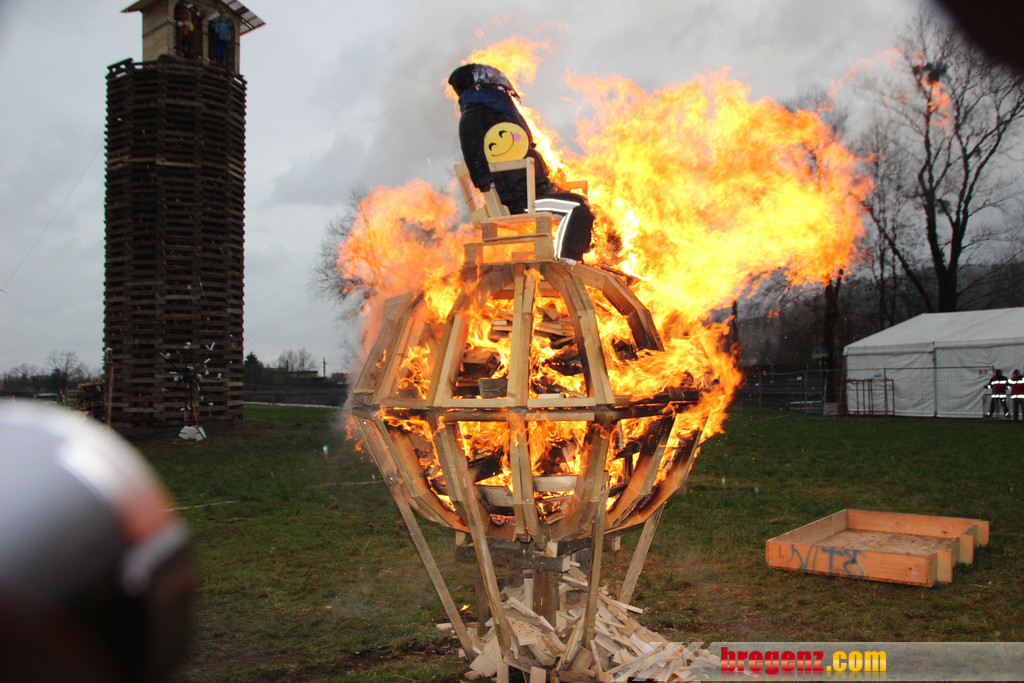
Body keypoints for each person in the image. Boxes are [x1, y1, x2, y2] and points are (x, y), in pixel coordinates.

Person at [448, 63, 593, 262]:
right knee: (577, 208)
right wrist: (482, 177)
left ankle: (577, 258)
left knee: (582, 205)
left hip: (533, 191)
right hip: (522, 199)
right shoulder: (476, 111)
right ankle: (566, 262)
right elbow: (471, 145)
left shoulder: (498, 110)